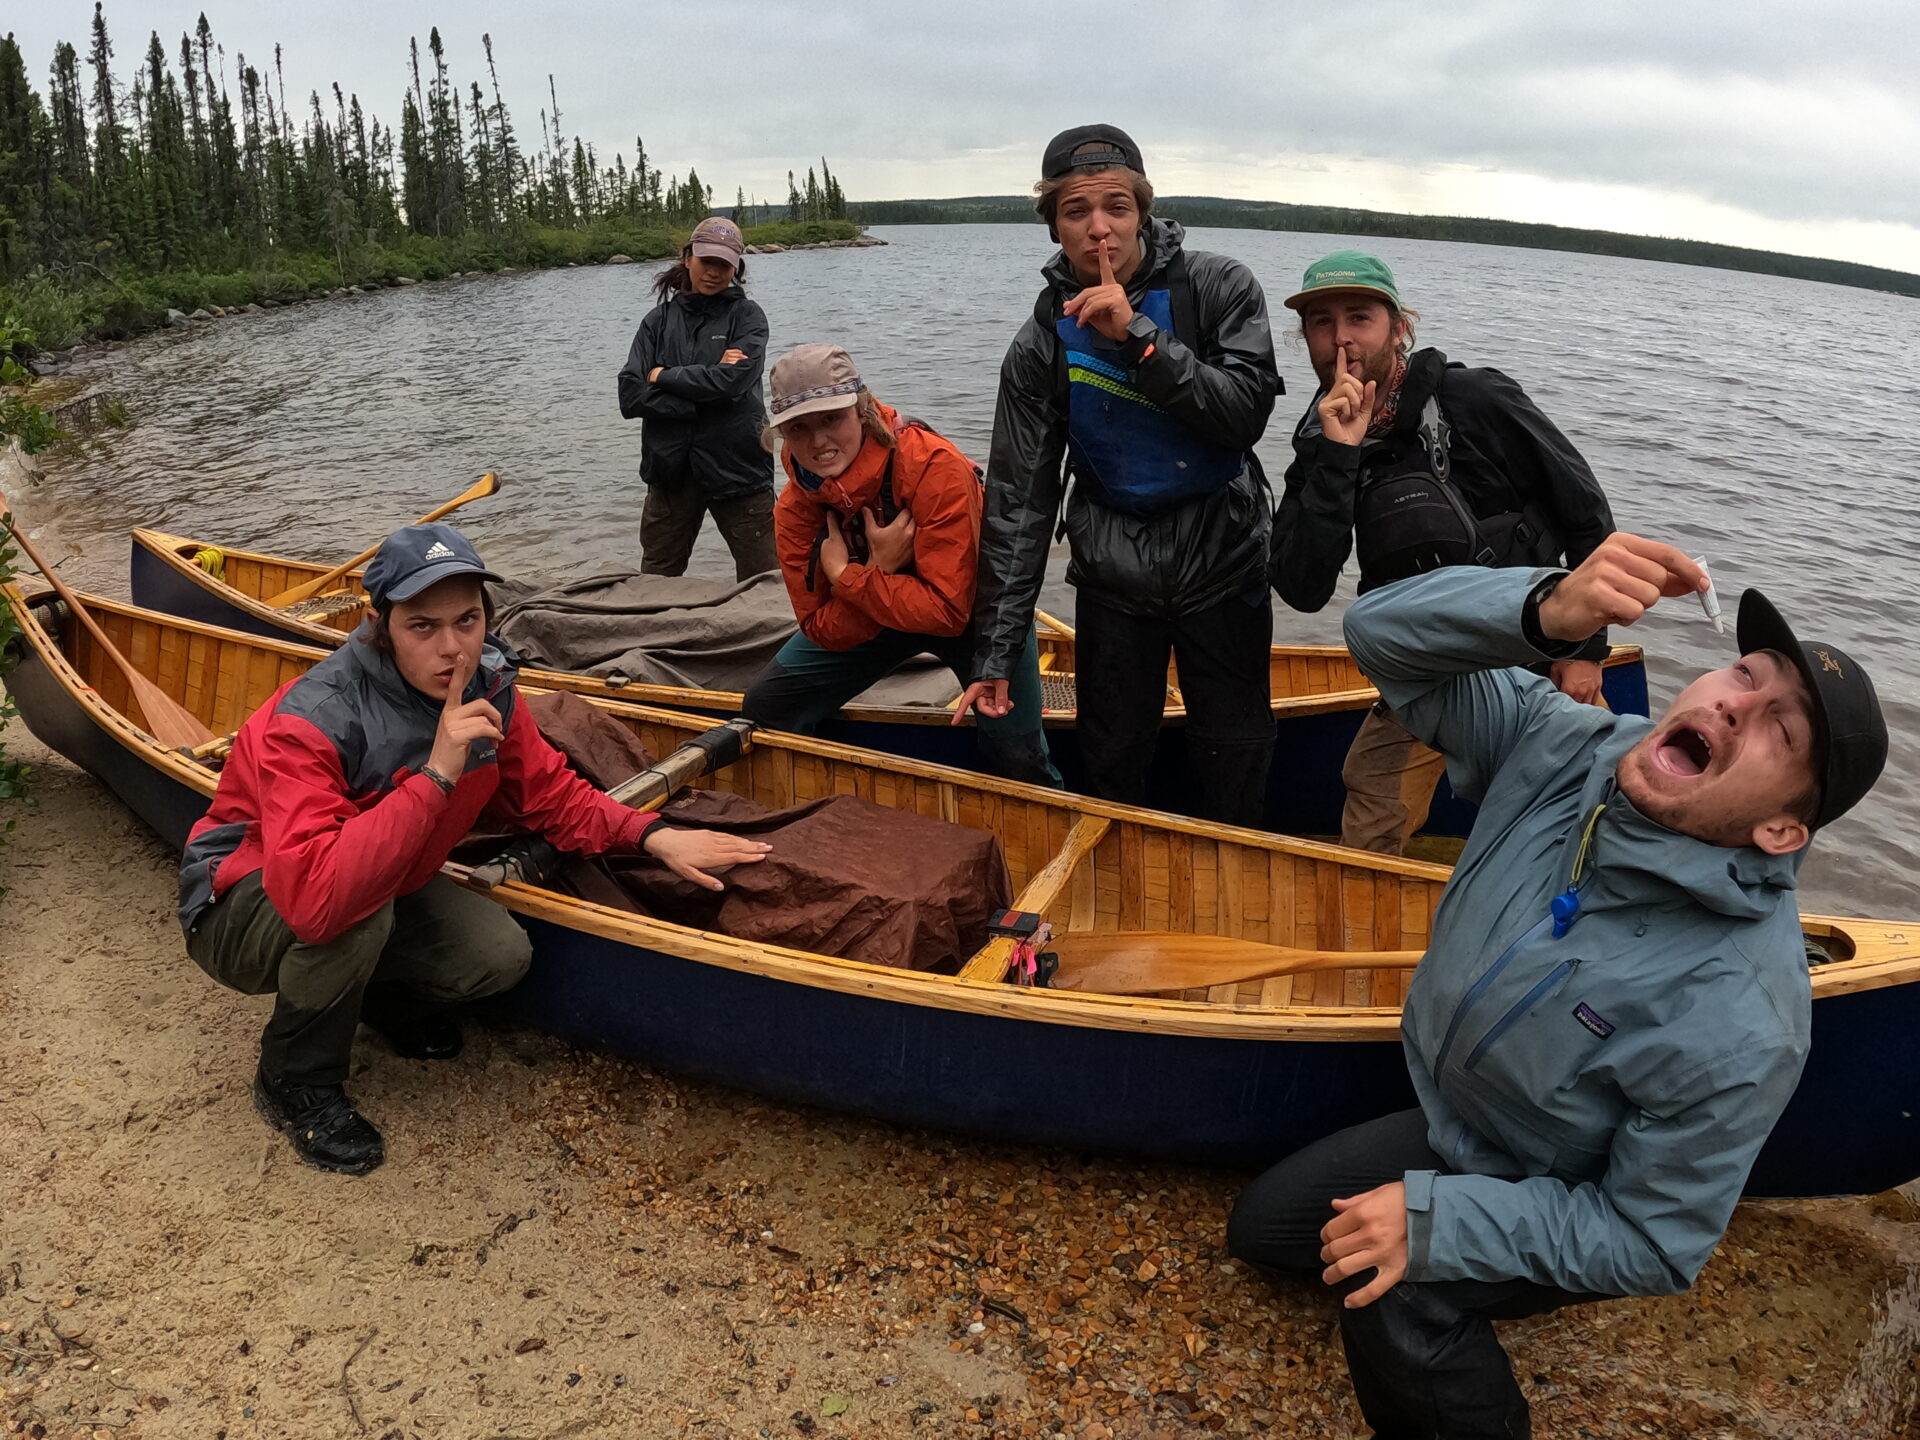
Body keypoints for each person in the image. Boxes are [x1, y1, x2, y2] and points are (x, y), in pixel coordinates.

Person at [1227, 534, 1887, 1439]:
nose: (1738, 708)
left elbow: (1654, 1240)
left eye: (1781, 729)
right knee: (1262, 1233)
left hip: (1555, 1189)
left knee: (1394, 1298)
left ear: (1780, 832)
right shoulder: (1563, 745)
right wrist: (1545, 612)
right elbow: (1377, 637)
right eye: (1745, 675)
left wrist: (1433, 1226)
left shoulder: (1744, 1015)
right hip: (1456, 1121)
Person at [178, 522, 770, 1175]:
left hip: (384, 873)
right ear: (379, 624)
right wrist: (437, 773)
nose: (454, 648)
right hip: (245, 899)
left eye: (467, 620)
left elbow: (551, 796)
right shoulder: (315, 719)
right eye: (422, 627)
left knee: (495, 957)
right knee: (353, 915)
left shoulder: (490, 687)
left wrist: (655, 836)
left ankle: (371, 1000)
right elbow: (317, 898)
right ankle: (295, 1078)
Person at [962, 125, 1280, 827]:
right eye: (1076, 211)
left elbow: (1244, 416)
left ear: (1142, 211)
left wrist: (1137, 338)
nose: (1099, 228)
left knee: (1236, 753)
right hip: (1112, 574)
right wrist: (994, 650)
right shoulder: (1042, 337)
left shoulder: (1218, 286)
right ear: (1053, 224)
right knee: (1110, 760)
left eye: (1116, 206)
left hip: (1223, 564)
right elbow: (1020, 503)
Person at [1269, 250, 1616, 854]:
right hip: (1425, 667)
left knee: (1577, 820)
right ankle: (1373, 930)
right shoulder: (1318, 439)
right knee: (1371, 795)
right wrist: (1339, 458)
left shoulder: (1474, 398)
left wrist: (1587, 653)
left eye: (1359, 317)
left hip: (1537, 653)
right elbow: (1302, 587)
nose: (1341, 338)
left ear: (1399, 327)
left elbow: (1585, 512)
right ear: (1305, 339)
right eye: (1321, 323)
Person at [740, 344, 1062, 788]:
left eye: (831, 419)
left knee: (1017, 755)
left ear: (863, 408)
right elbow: (817, 625)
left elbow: (949, 612)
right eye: (798, 428)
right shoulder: (796, 507)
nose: (818, 442)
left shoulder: (932, 466)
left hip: (973, 616)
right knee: (767, 707)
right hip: (871, 614)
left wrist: (848, 576)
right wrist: (878, 568)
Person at [617, 215, 776, 581]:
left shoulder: (748, 317)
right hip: (670, 474)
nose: (714, 272)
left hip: (741, 471)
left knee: (767, 583)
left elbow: (734, 383)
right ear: (688, 258)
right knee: (654, 583)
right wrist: (696, 400)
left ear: (736, 268)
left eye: (724, 265)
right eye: (707, 261)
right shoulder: (656, 322)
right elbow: (630, 395)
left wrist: (663, 376)